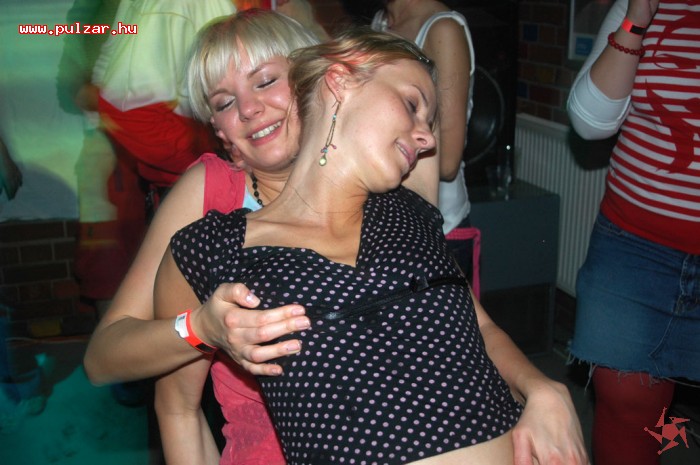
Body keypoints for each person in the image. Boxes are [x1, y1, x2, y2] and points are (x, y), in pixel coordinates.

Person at [84, 9, 585, 465]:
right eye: (225, 103)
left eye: (266, 81)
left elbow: (464, 325)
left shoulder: (395, 189)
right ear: (218, 128)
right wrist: (201, 328)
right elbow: (139, 380)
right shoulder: (210, 209)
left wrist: (540, 388)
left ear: (318, 79)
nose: (250, 108)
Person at [566, 1, 699, 464]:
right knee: (629, 408)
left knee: (661, 419)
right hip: (635, 248)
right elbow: (589, 123)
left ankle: (676, 436)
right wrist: (637, 18)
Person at [371, 0, 475, 277]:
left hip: (438, 231)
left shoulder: (443, 29)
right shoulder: (382, 21)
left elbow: (447, 161)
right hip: (386, 226)